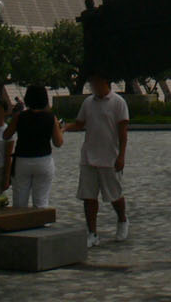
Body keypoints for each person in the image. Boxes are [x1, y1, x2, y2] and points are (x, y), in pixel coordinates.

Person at [63, 72, 128, 247]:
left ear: (105, 81)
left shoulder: (118, 103)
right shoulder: (88, 102)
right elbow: (79, 123)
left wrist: (121, 156)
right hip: (88, 157)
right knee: (89, 197)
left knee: (114, 195)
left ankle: (122, 220)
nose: (94, 86)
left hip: (109, 157)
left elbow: (123, 132)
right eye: (92, 83)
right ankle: (92, 232)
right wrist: (65, 128)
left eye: (96, 82)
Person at [7, 84, 63, 209]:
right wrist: (60, 130)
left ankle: (19, 224)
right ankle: (41, 224)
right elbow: (58, 143)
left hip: (22, 160)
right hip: (43, 160)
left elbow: (6, 135)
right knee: (41, 200)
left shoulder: (19, 117)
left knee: (19, 201)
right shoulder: (51, 117)